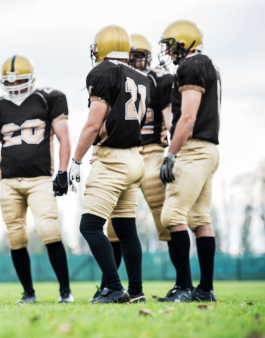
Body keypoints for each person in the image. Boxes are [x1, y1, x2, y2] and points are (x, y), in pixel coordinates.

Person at [0, 55, 74, 303]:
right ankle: (29, 293)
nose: (14, 87)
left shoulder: (48, 98)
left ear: (31, 79)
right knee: (15, 235)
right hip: (9, 181)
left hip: (40, 179)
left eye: (19, 81)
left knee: (49, 229)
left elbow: (64, 137)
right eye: (9, 83)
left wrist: (62, 171)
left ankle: (65, 292)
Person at [90, 34, 178, 302]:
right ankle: (115, 286)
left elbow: (170, 119)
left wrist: (172, 152)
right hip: (132, 154)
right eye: (133, 55)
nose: (136, 61)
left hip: (148, 152)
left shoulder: (155, 79)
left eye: (140, 56)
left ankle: (181, 282)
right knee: (119, 228)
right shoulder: (127, 79)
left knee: (166, 221)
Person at [70, 25, 150, 304]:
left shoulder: (102, 72)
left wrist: (76, 159)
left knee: (90, 226)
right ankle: (137, 291)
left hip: (112, 160)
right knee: (127, 229)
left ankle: (114, 288)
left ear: (100, 48)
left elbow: (93, 124)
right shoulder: (142, 77)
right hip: (136, 158)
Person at [158, 20, 221, 302]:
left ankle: (183, 287)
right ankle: (205, 289)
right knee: (200, 218)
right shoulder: (209, 66)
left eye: (171, 45)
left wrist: (171, 152)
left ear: (185, 43)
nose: (169, 51)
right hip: (209, 149)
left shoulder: (192, 66)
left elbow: (189, 116)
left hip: (194, 149)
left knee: (172, 215)